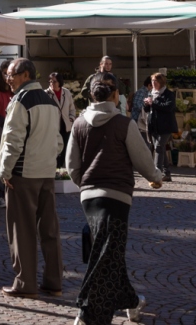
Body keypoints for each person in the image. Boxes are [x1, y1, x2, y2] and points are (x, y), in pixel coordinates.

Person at [67, 72, 163, 325]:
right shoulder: (123, 123)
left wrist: (84, 184)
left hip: (89, 197)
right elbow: (142, 157)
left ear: (91, 95)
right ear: (115, 96)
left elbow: (71, 165)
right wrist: (156, 176)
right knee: (107, 254)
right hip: (117, 196)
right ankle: (87, 312)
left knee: (108, 252)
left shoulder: (79, 123)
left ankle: (132, 302)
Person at [0, 57, 63, 299]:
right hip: (46, 172)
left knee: (22, 229)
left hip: (23, 174)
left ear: (25, 75)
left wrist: (4, 171)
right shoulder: (49, 100)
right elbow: (57, 142)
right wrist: (46, 159)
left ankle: (25, 283)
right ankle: (54, 283)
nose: (8, 79)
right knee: (49, 230)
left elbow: (13, 141)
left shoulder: (20, 101)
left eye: (11, 74)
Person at [144, 73, 177, 183]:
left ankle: (156, 173)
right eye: (152, 81)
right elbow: (148, 110)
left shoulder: (169, 94)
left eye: (155, 81)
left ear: (161, 82)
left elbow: (168, 107)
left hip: (165, 125)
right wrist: (146, 104)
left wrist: (153, 103)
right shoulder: (151, 93)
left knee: (158, 147)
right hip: (154, 125)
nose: (153, 83)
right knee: (160, 148)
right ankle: (166, 173)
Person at [47, 72, 76, 166]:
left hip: (65, 125)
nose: (52, 84)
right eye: (50, 81)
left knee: (65, 149)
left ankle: (62, 168)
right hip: (53, 127)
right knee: (54, 150)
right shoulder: (46, 94)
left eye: (54, 81)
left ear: (59, 82)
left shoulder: (66, 92)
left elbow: (72, 108)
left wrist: (71, 119)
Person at [130, 75, 151, 147]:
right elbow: (136, 104)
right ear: (149, 85)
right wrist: (146, 108)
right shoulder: (141, 92)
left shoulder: (147, 92)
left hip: (140, 121)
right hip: (137, 120)